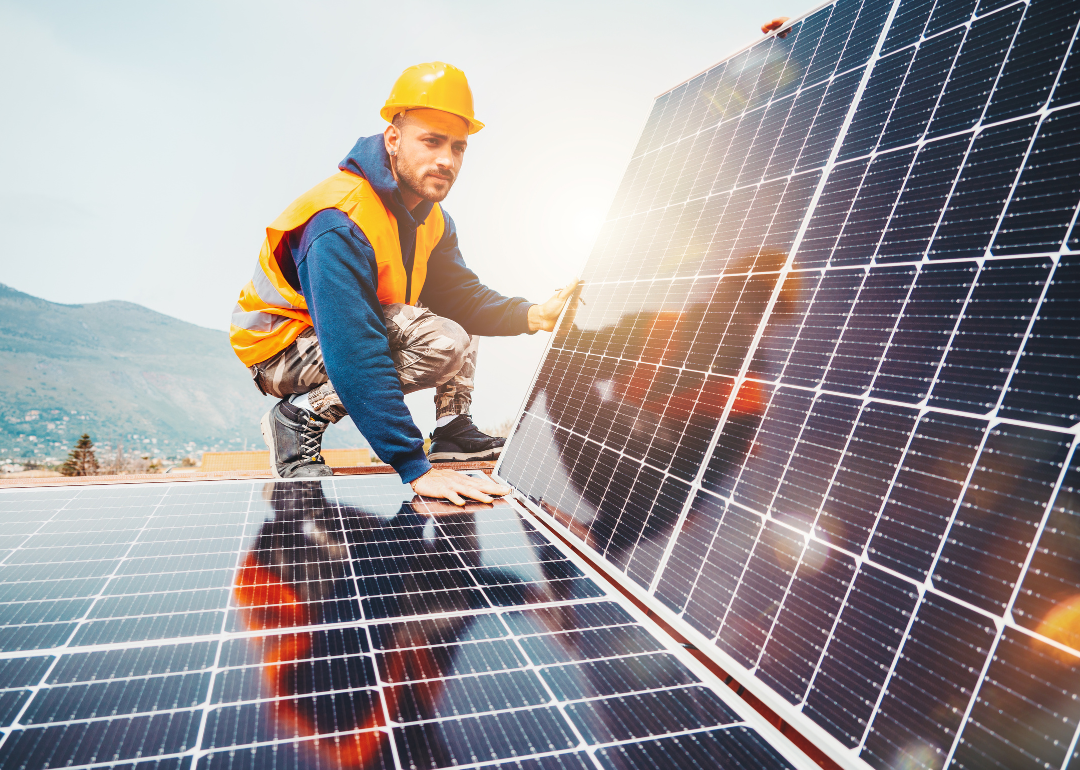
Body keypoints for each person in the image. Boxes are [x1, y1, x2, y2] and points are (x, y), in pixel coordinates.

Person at [230, 62, 576, 504]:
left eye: (458, 147)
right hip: (281, 348)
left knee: (451, 320)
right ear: (393, 139)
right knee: (442, 339)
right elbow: (355, 349)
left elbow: (459, 296)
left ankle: (452, 429)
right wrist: (413, 466)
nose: (446, 160)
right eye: (430, 141)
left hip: (346, 332)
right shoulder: (339, 222)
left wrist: (532, 314)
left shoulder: (431, 219)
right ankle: (297, 416)